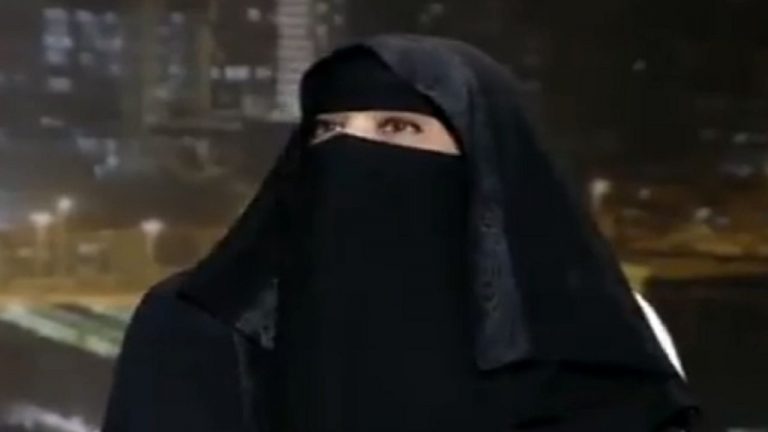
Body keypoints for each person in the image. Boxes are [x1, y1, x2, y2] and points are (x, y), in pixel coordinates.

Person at [102, 34, 698, 432]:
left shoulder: (599, 331)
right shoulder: (195, 325)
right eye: (329, 129)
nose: (351, 151)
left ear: (483, 162)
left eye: (397, 127)